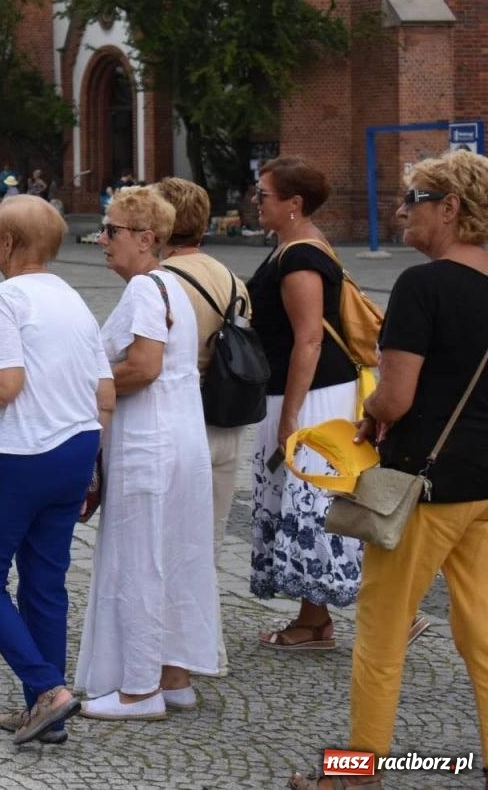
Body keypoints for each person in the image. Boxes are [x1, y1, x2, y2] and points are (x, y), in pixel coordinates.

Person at [287, 151, 488, 790]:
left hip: (422, 488)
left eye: (414, 198)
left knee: (380, 634)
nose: (401, 209)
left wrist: (372, 412)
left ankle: (357, 773)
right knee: (483, 635)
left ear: (450, 207)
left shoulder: (423, 286)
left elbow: (395, 397)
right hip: (484, 486)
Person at [0, 195, 111, 745]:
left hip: (27, 453)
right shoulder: (73, 299)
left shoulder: (9, 297)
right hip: (77, 446)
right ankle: (43, 707)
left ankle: (47, 689)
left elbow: (4, 388)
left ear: (8, 243)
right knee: (44, 582)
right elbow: (103, 388)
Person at [77, 185, 218, 721]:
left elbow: (143, 367)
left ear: (145, 238)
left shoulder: (144, 289)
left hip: (149, 441)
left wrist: (84, 385)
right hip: (180, 436)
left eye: (110, 231)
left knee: (139, 559)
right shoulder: (170, 286)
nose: (102, 240)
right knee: (176, 554)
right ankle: (173, 675)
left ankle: (138, 688)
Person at [247, 157, 381, 649]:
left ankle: (390, 610)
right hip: (305, 393)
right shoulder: (295, 247)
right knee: (305, 508)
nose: (255, 201)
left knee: (318, 506)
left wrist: (289, 418)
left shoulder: (301, 257)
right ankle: (314, 619)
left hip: (313, 398)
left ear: (293, 204)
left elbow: (309, 341)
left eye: (263, 194)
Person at [156, 176, 254, 676]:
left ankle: (171, 656)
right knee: (209, 539)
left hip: (182, 418)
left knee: (170, 540)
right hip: (228, 419)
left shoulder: (162, 281)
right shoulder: (230, 276)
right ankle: (203, 643)